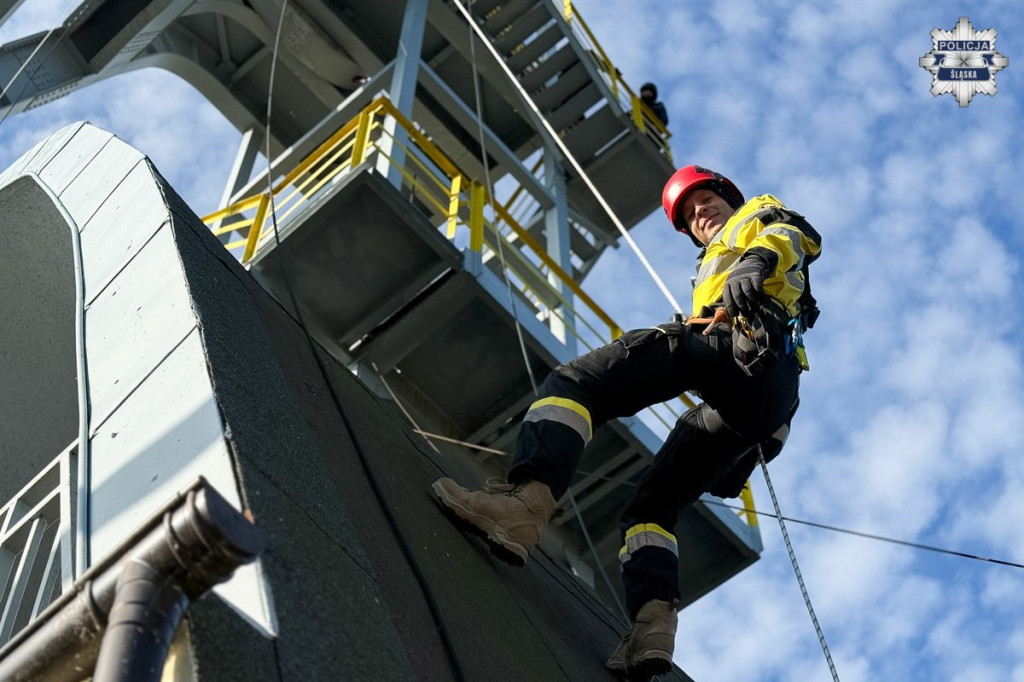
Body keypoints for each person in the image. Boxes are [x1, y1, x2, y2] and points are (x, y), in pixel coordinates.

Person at [432, 165, 821, 681]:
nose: (700, 214)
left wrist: (757, 256)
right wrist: (751, 448)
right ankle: (653, 629)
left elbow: (796, 234)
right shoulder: (712, 262)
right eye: (689, 216)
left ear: (728, 198)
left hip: (741, 341)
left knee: (575, 385)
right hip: (766, 398)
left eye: (705, 201)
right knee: (651, 508)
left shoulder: (756, 217)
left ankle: (524, 506)